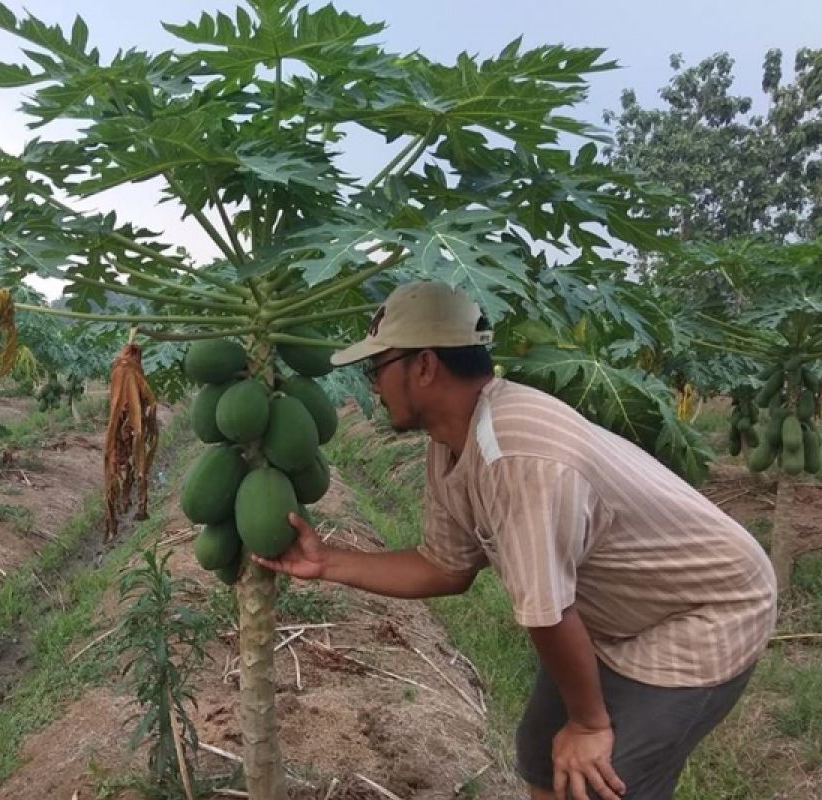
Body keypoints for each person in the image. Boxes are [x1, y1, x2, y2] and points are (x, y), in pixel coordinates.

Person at [253, 281, 777, 800]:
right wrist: (328, 562)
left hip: (703, 611)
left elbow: (547, 611)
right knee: (541, 751)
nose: (372, 386)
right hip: (620, 605)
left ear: (424, 365)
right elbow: (446, 567)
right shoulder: (450, 440)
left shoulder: (513, 453)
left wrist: (590, 726)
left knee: (605, 782)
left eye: (376, 369)